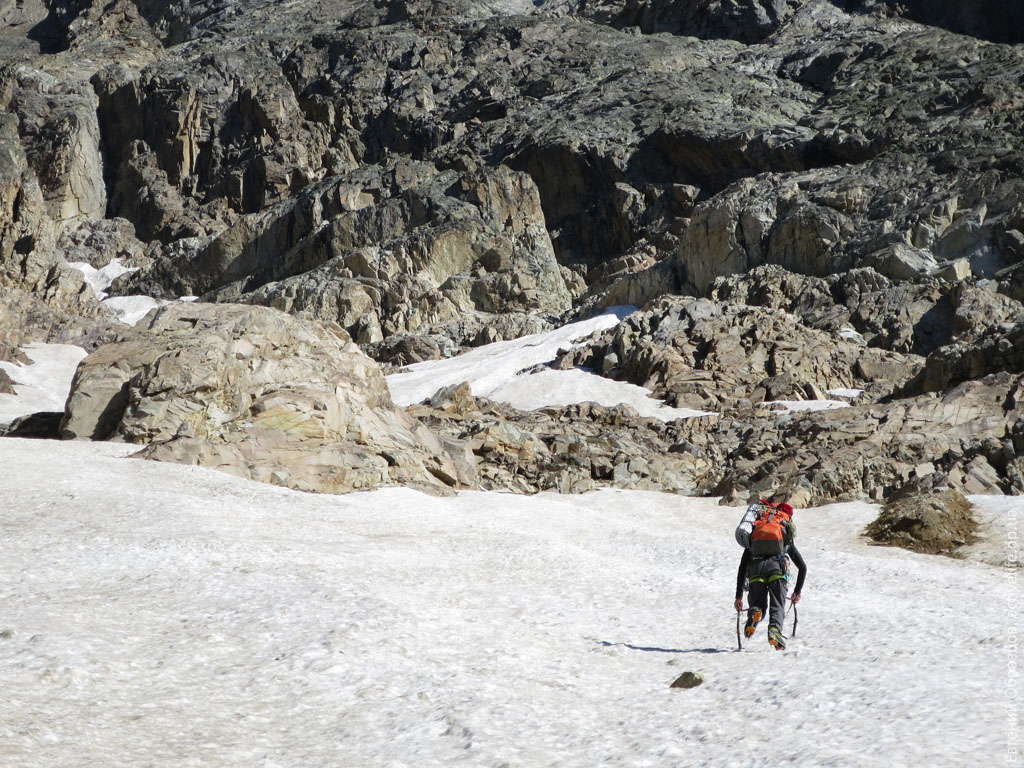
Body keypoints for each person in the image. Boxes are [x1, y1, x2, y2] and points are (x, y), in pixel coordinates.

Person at [733, 501, 806, 650]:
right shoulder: (784, 537)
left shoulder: (755, 534)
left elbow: (742, 568)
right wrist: (797, 592)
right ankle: (774, 630)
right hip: (777, 570)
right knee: (777, 606)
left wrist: (739, 596)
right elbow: (802, 567)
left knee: (759, 604)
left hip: (756, 570)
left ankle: (755, 611)